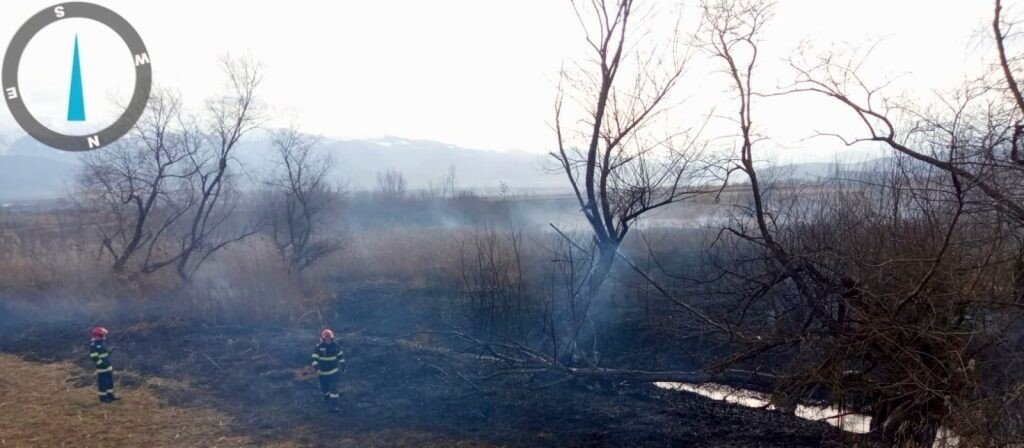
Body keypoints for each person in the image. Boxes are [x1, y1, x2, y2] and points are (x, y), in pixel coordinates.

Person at [311, 328, 345, 412]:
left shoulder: (335, 346)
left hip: (333, 371)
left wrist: (343, 366)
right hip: (322, 373)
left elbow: (341, 356)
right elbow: (314, 359)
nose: (328, 340)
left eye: (329, 338)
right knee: (325, 389)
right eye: (326, 339)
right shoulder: (318, 347)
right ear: (323, 339)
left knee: (333, 388)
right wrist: (317, 368)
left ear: (332, 338)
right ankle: (327, 399)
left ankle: (334, 406)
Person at [88, 327, 118, 403]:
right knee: (103, 383)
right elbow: (94, 357)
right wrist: (101, 364)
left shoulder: (102, 343)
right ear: (98, 336)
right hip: (102, 368)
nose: (104, 336)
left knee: (110, 382)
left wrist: (110, 351)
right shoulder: (93, 345)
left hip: (108, 367)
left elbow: (105, 355)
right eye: (102, 335)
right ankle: (103, 398)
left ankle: (110, 396)